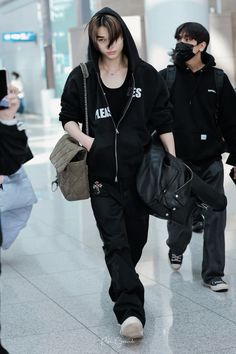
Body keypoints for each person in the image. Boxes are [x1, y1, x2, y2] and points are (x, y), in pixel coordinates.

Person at [59, 7, 175, 339]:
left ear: (124, 35)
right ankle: (130, 312)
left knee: (135, 242)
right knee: (115, 243)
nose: (110, 46)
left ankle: (121, 283)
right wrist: (84, 138)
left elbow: (163, 118)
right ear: (94, 42)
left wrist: (173, 162)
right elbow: (67, 115)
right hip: (101, 178)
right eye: (101, 40)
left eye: (115, 38)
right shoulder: (82, 77)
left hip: (141, 176)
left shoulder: (146, 75)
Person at [160, 22, 236, 292]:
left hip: (210, 162)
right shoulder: (166, 77)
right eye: (178, 38)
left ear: (201, 45)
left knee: (217, 213)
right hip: (178, 164)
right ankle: (175, 247)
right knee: (180, 217)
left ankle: (214, 273)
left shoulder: (218, 79)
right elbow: (154, 119)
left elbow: (232, 122)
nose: (181, 43)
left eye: (188, 39)